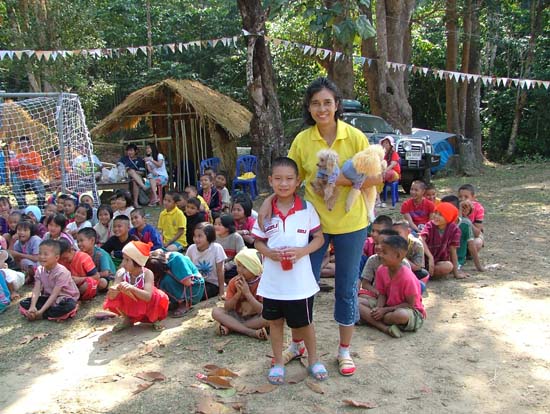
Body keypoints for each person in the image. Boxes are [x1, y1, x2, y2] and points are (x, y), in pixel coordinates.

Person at [258, 77, 380, 377]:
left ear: (337, 105)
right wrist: (267, 201)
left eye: (327, 102)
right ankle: (298, 344)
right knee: (302, 287)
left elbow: (377, 177)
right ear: (309, 108)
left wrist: (337, 179)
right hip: (312, 226)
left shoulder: (355, 137)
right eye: (315, 103)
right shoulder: (302, 140)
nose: (322, 109)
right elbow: (288, 177)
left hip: (351, 223)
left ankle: (344, 350)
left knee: (347, 288)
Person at [253, 157, 327, 384]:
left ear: (298, 181)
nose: (283, 184)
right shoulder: (266, 212)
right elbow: (257, 241)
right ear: (270, 180)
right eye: (278, 179)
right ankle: (278, 362)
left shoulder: (307, 209)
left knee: (305, 323)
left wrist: (302, 251)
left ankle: (313, 360)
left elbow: (319, 238)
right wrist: (269, 253)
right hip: (273, 282)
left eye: (289, 179)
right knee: (275, 323)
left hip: (300, 283)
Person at [358, 235, 426, 338]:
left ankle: (372, 319)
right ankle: (384, 328)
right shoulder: (381, 269)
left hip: (407, 309)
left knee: (401, 315)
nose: (380, 255)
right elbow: (382, 294)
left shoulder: (407, 277)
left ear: (398, 255)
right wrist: (378, 308)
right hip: (387, 305)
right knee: (356, 303)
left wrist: (384, 311)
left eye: (384, 252)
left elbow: (410, 304)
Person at [104, 241, 169, 332]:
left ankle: (155, 318)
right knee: (116, 297)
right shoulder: (121, 273)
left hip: (146, 301)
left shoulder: (147, 273)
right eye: (123, 259)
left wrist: (132, 288)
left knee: (158, 297)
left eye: (127, 260)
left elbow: (147, 297)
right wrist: (114, 291)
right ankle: (127, 319)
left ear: (137, 262)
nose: (123, 263)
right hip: (130, 301)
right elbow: (112, 297)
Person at [211, 248, 268, 340]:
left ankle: (231, 327)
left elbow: (262, 310)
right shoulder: (234, 282)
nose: (240, 270)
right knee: (216, 311)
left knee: (269, 318)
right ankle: (251, 332)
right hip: (237, 316)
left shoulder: (263, 283)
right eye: (238, 266)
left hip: (255, 317)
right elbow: (227, 308)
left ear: (254, 268)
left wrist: (247, 293)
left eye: (244, 267)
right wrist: (237, 294)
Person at [19, 240, 80, 321]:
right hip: (48, 297)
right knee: (23, 303)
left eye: (46, 254)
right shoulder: (39, 270)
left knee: (69, 307)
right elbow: (36, 289)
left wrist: (41, 311)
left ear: (56, 257)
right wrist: (32, 307)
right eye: (40, 253)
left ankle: (42, 315)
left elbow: (55, 294)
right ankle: (45, 314)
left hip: (64, 299)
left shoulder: (62, 272)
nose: (42, 257)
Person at [146, 249, 204, 317]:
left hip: (194, 288)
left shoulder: (176, 259)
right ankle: (174, 303)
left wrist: (169, 272)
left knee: (166, 280)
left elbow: (188, 282)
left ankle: (185, 304)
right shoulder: (159, 261)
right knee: (159, 282)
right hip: (182, 286)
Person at [420, 202, 467, 279]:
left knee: (448, 266)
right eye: (435, 213)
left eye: (440, 215)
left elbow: (453, 251)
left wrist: (456, 273)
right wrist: (430, 257)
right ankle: (421, 273)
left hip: (439, 261)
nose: (436, 216)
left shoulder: (454, 230)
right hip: (423, 260)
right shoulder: (430, 225)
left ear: (448, 217)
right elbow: (421, 239)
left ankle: (425, 274)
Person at [186, 222, 226, 299]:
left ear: (209, 237)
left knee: (196, 295)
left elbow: (220, 270)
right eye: (195, 236)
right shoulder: (191, 249)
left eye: (200, 236)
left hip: (212, 283)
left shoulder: (217, 248)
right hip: (196, 282)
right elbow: (187, 267)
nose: (196, 239)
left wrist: (221, 292)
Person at [11, 136, 46, 210]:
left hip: (33, 178)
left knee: (41, 190)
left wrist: (26, 164)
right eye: (21, 144)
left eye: (24, 144)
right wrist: (14, 167)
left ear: (29, 144)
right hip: (21, 179)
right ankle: (23, 209)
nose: (22, 146)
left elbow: (38, 169)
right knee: (16, 188)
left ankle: (40, 208)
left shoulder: (35, 154)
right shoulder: (18, 156)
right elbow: (16, 171)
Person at [214, 214, 245, 282]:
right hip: (216, 266)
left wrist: (226, 266)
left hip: (232, 265)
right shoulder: (213, 237)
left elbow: (241, 256)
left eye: (219, 224)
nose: (216, 226)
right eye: (215, 224)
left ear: (228, 227)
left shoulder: (236, 237)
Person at [458, 184, 485, 254]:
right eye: (460, 196)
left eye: (466, 197)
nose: (462, 199)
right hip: (458, 235)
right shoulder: (455, 206)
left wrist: (465, 218)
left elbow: (476, 233)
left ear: (473, 197)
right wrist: (459, 212)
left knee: (477, 243)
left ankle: (468, 253)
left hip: (473, 234)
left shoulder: (479, 208)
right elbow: (456, 228)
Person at [118, 144, 147, 208]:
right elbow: (119, 167)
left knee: (134, 180)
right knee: (130, 171)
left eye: (131, 150)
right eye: (128, 151)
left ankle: (135, 202)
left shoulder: (140, 160)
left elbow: (142, 172)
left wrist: (134, 172)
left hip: (138, 178)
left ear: (135, 151)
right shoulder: (123, 159)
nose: (129, 152)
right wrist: (128, 170)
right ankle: (143, 186)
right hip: (125, 177)